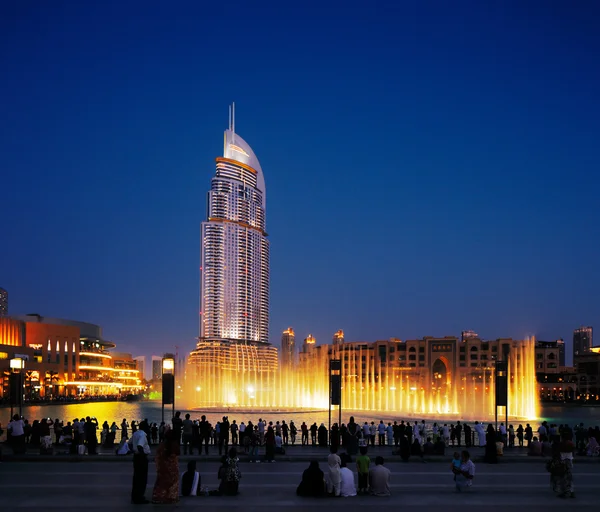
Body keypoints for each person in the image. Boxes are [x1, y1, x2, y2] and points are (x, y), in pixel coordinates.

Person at [152, 429, 180, 504]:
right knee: (172, 483)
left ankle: (159, 496)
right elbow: (177, 453)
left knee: (161, 482)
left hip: (163, 467)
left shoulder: (162, 445)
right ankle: (171, 497)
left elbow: (158, 456)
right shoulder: (174, 445)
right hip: (172, 468)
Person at [131, 425, 151, 504]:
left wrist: (133, 450)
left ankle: (135, 496)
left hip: (136, 457)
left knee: (136, 477)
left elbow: (129, 443)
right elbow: (140, 446)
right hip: (141, 457)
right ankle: (140, 497)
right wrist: (142, 456)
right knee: (142, 478)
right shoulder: (143, 435)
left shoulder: (136, 433)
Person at [556, 433, 575, 499]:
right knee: (570, 478)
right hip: (569, 460)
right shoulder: (571, 443)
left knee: (563, 478)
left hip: (563, 461)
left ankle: (564, 492)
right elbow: (573, 451)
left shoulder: (561, 444)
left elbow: (558, 452)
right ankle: (571, 492)